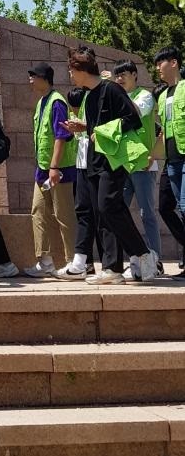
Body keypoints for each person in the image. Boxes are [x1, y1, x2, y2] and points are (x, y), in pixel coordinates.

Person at [65, 46, 157, 284]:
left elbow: (132, 119)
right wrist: (84, 127)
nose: (70, 76)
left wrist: (101, 131)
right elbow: (96, 127)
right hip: (95, 160)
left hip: (113, 159)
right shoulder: (89, 95)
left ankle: (143, 253)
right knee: (103, 212)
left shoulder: (111, 89)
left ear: (82, 70)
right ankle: (112, 269)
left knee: (108, 206)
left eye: (72, 71)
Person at [24, 63, 77, 279]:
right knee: (38, 210)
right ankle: (45, 261)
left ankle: (73, 262)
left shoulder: (57, 102)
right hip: (43, 169)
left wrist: (54, 166)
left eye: (33, 76)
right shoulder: (41, 103)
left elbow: (60, 136)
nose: (30, 80)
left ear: (44, 78)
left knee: (64, 214)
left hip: (59, 169)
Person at [112, 59, 163, 279]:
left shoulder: (145, 96)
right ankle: (133, 258)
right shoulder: (118, 97)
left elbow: (135, 113)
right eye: (117, 75)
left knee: (147, 213)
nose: (119, 79)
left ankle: (156, 259)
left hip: (143, 164)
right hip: (123, 165)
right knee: (118, 212)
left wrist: (115, 93)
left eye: (123, 74)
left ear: (134, 74)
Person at [57, 84, 101, 279]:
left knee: (101, 215)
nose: (74, 111)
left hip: (96, 167)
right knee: (83, 213)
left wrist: (84, 126)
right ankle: (83, 263)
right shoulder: (75, 116)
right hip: (81, 167)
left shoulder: (94, 103)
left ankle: (111, 263)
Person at [155, 46, 185, 273]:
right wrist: (153, 155)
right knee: (168, 207)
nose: (157, 68)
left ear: (173, 63)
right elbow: (165, 130)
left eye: (160, 63)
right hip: (172, 160)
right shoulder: (163, 95)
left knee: (184, 207)